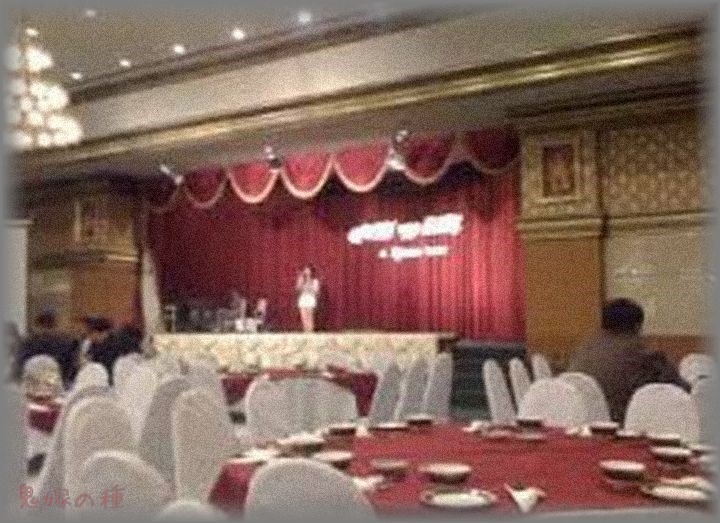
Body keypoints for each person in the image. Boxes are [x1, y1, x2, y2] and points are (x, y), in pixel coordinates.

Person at [567, 298, 690, 423]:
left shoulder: (583, 350)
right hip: (625, 426)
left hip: (580, 427)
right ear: (637, 326)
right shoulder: (645, 356)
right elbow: (683, 392)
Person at [13, 309, 79, 388]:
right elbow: (72, 368)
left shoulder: (28, 343)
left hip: (36, 385)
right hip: (55, 385)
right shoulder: (67, 343)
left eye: (49, 325)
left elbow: (19, 366)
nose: (45, 329)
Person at [296, 265, 320, 333]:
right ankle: (305, 332)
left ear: (311, 271)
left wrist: (310, 286)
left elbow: (316, 291)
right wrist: (300, 280)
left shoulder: (315, 280)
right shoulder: (302, 280)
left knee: (310, 317)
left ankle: (310, 332)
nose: (306, 271)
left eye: (308, 270)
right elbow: (298, 289)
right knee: (303, 317)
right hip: (303, 298)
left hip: (310, 298)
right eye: (305, 270)